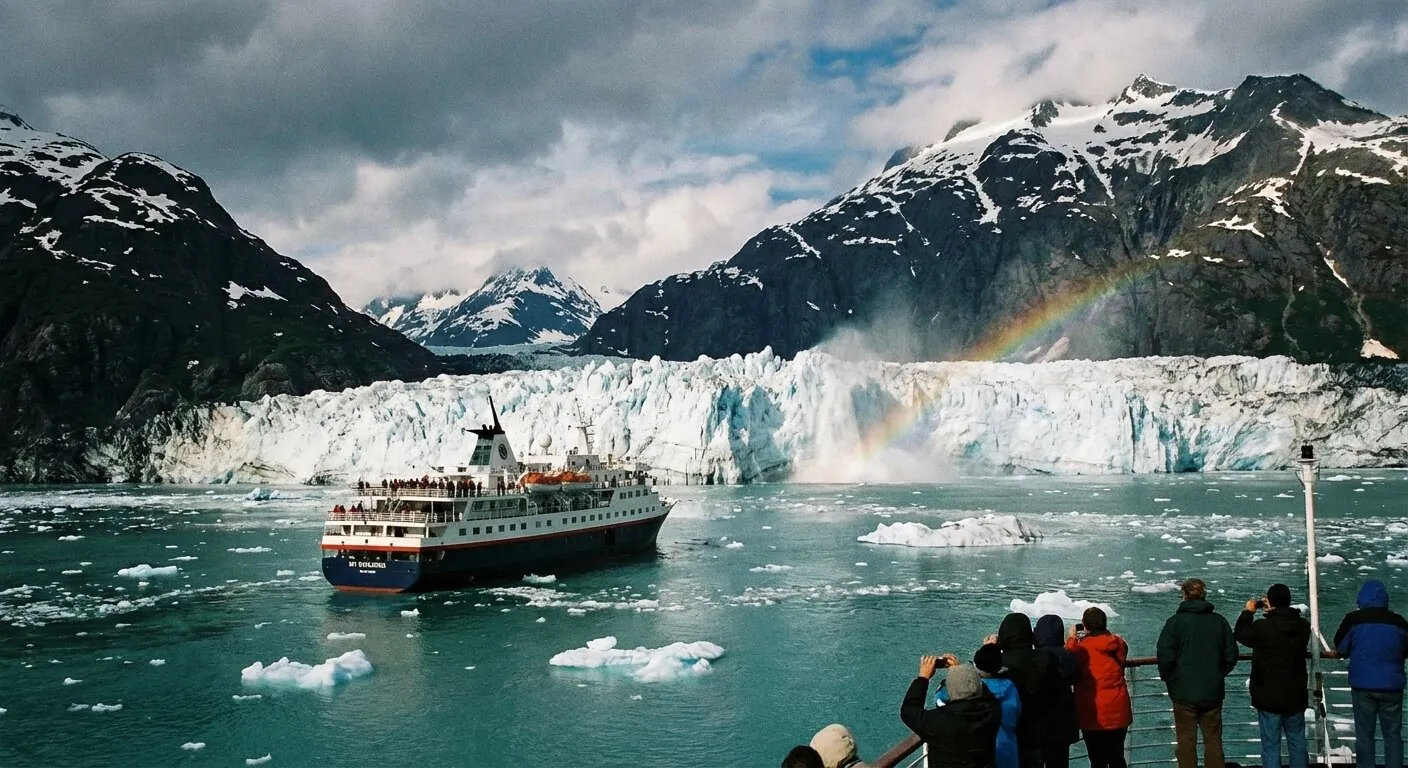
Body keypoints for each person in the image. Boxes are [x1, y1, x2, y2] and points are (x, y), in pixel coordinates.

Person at [1156, 578, 1237, 768]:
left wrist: (1171, 679)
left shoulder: (1174, 623)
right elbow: (1231, 654)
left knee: (1185, 741)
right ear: (1204, 594)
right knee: (1213, 740)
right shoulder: (1219, 622)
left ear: (1184, 595)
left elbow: (1165, 655)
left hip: (1183, 692)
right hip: (1212, 690)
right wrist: (1218, 673)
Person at [1235, 583, 1311, 768]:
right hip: (1295, 694)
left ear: (1271, 602)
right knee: (1297, 742)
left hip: (1268, 695)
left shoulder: (1263, 626)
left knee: (1271, 745)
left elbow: (1241, 634)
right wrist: (1274, 611)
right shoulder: (1303, 626)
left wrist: (1249, 612)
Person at [1334, 579, 1408, 768]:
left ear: (1362, 598)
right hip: (1392, 686)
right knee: (1392, 735)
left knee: (1365, 735)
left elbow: (1341, 647)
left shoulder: (1354, 620)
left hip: (1363, 686)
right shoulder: (1398, 621)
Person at [901, 655, 1001, 768]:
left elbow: (909, 711)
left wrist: (923, 678)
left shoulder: (941, 722)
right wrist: (961, 673)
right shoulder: (992, 711)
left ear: (950, 691)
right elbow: (984, 693)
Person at [992, 613, 1060, 768]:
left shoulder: (1001, 662)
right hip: (1040, 730)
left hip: (1009, 731)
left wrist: (992, 649)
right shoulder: (1046, 658)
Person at [1068, 607, 1132, 768]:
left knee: (1097, 760)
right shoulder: (1117, 643)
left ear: (1085, 625)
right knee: (1117, 756)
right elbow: (1122, 653)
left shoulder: (1082, 648)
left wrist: (1071, 638)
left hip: (1093, 711)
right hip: (1118, 708)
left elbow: (1069, 657)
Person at [938, 644, 1020, 768]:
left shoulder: (972, 690)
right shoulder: (1010, 687)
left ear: (975, 666)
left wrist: (957, 672)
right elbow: (1017, 711)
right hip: (1007, 751)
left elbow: (940, 700)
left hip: (979, 756)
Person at [1034, 615, 1080, 768]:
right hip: (1063, 721)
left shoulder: (1035, 657)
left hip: (1038, 721)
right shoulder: (1068, 656)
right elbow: (1075, 677)